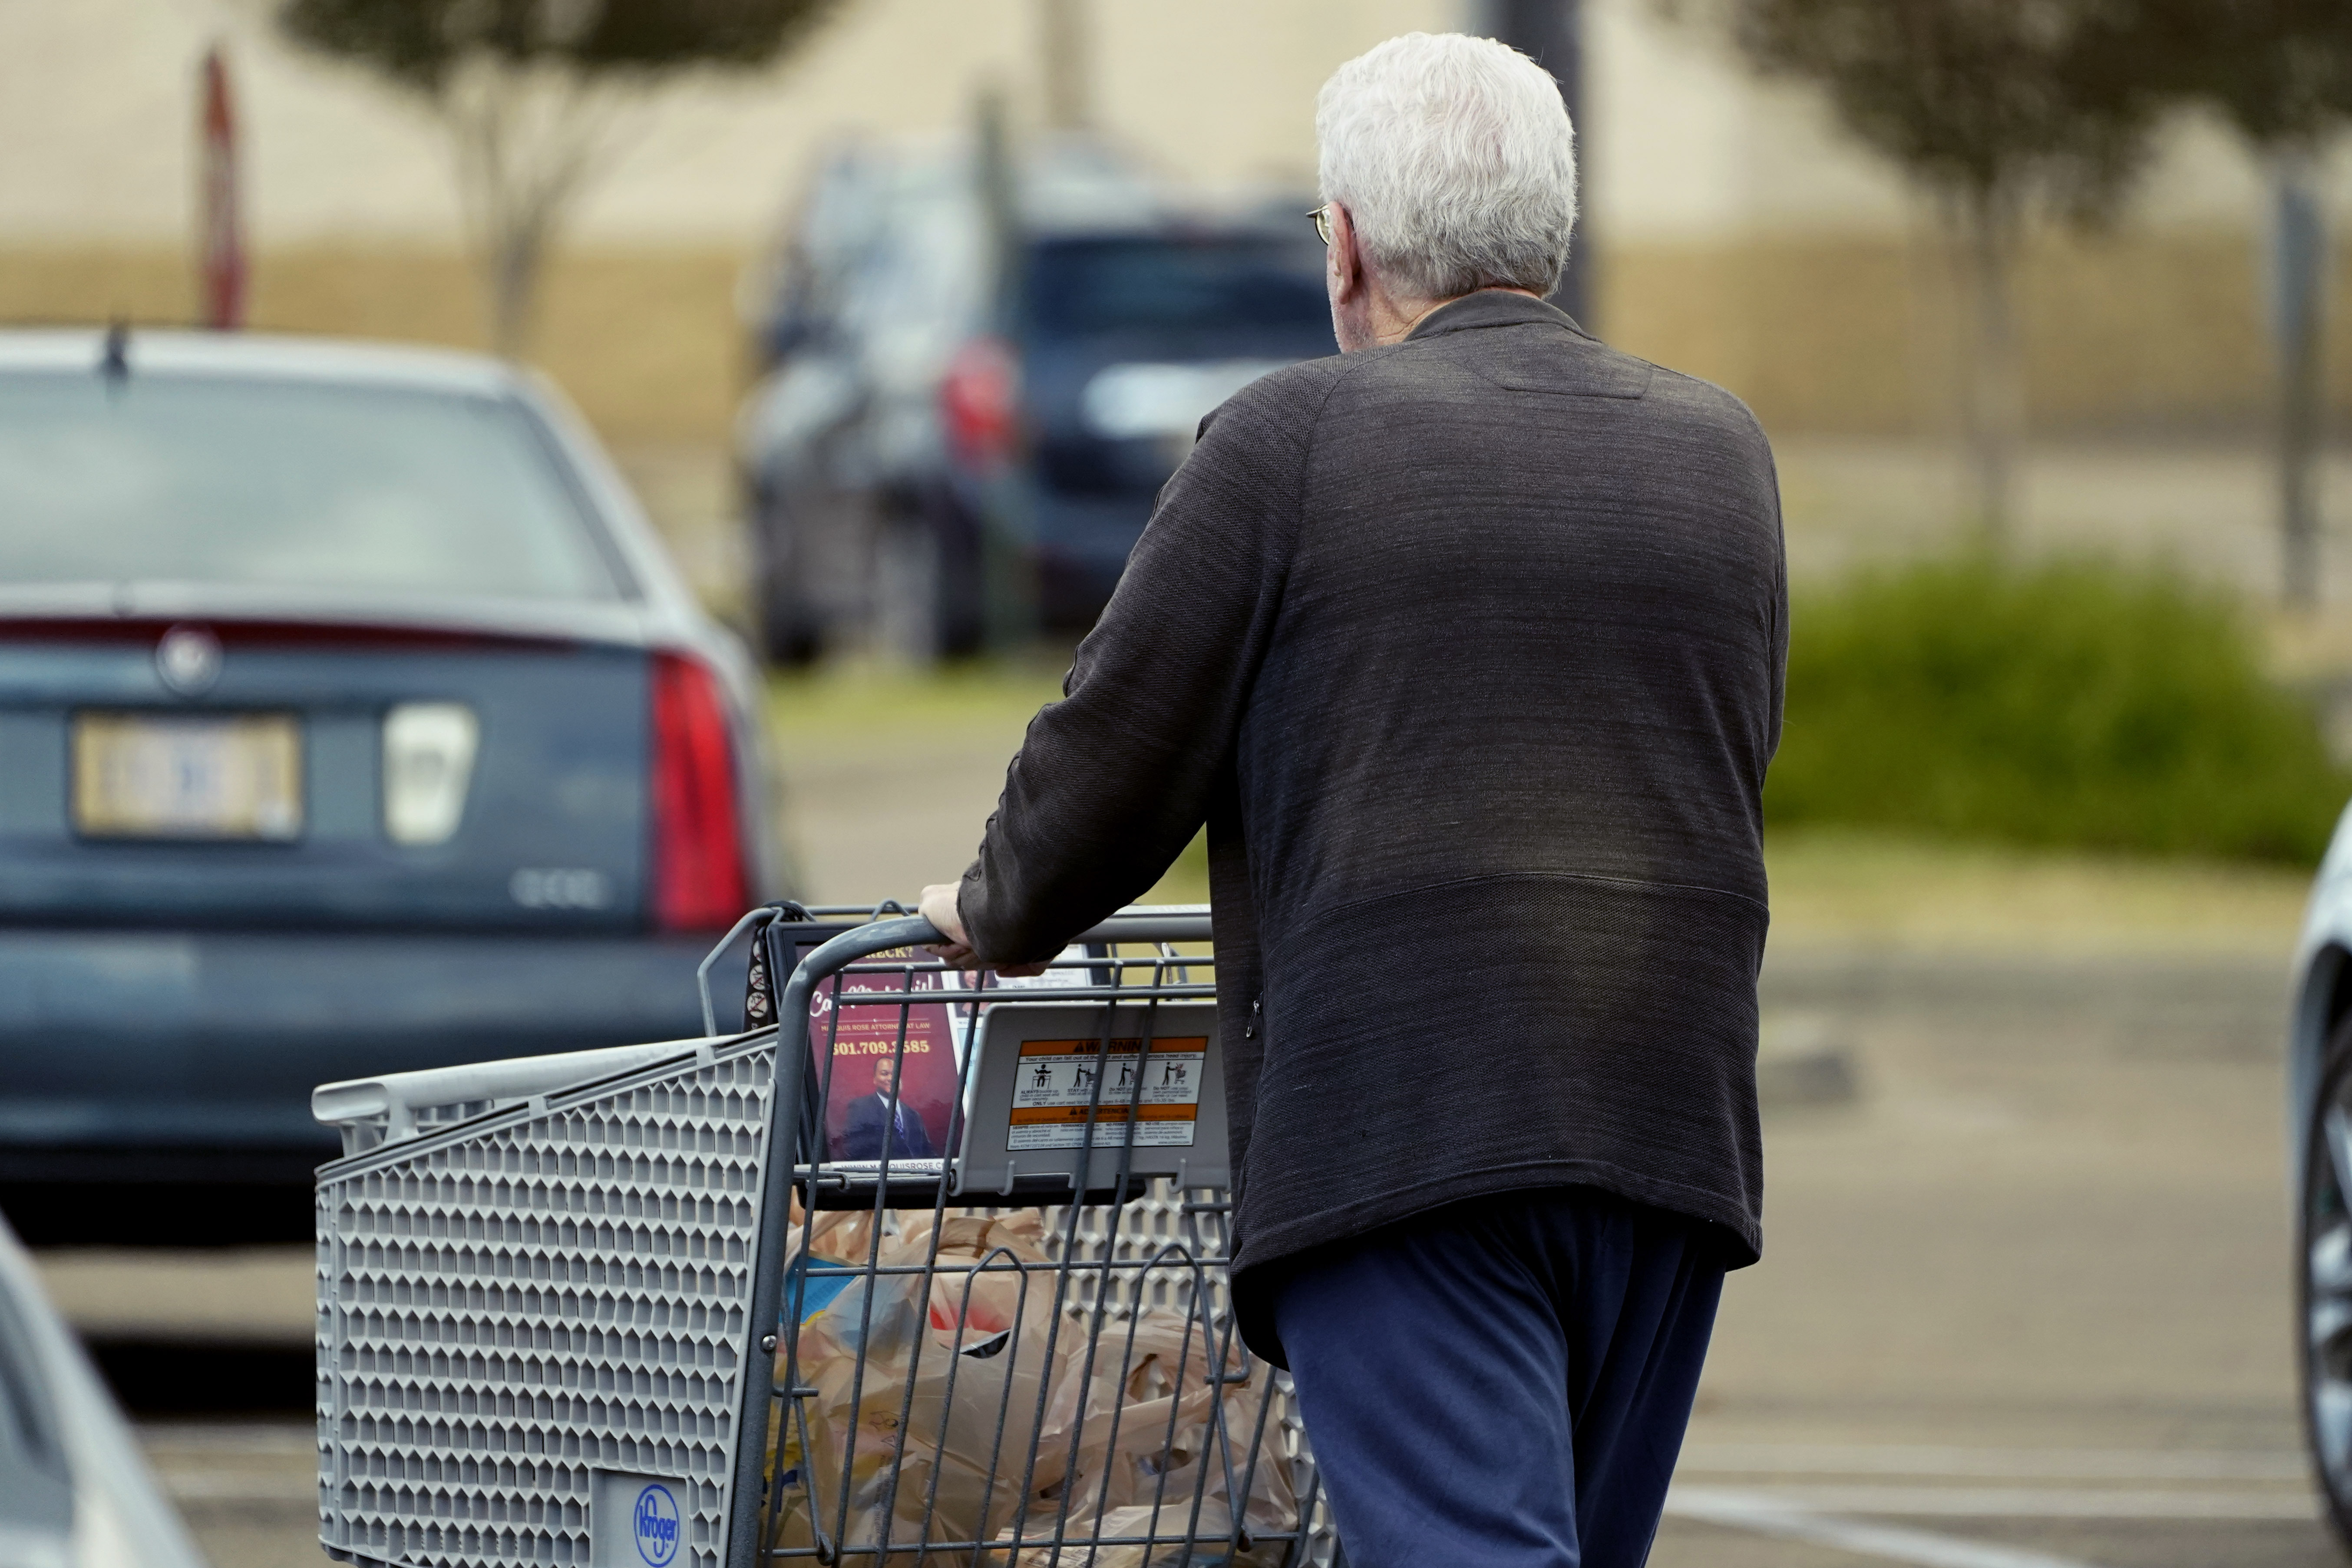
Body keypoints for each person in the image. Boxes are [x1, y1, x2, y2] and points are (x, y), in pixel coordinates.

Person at [922, 30, 1784, 1568]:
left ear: (1344, 243)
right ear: (1552, 230)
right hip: (1664, 1136)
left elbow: (1113, 754)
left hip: (1414, 1123)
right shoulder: (1718, 454)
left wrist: (990, 907)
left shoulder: (1287, 445)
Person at [836, 1054, 935, 1161]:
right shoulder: (860, 1108)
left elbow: (928, 1153)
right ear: (875, 1079)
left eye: (895, 1074)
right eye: (885, 1074)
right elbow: (853, 1149)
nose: (891, 1079)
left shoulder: (914, 1115)